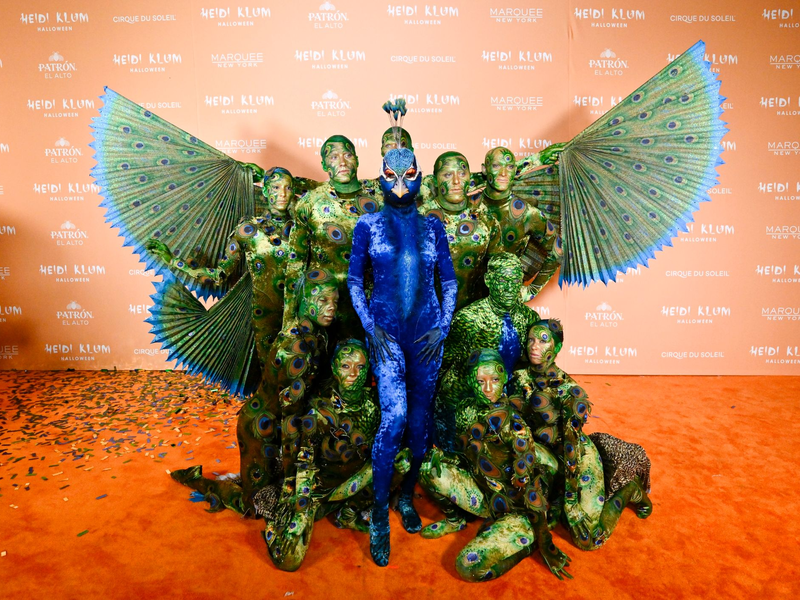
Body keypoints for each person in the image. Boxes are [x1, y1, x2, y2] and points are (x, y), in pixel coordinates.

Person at [348, 140, 457, 566]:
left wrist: (443, 326)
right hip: (387, 337)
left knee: (418, 424)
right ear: (379, 177)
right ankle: (378, 514)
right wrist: (370, 326)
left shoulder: (434, 227)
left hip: (427, 337)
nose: (397, 184)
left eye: (407, 174)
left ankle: (406, 496)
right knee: (392, 420)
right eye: (390, 175)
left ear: (419, 175)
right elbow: (356, 281)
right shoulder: (367, 226)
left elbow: (447, 282)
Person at [170, 269, 340, 516]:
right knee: (255, 507)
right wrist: (293, 483)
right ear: (303, 300)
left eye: (335, 301)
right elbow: (291, 421)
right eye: (323, 300)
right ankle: (202, 482)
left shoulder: (317, 334)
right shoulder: (296, 351)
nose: (331, 307)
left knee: (276, 488)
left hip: (278, 429)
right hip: (259, 430)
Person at [419, 349, 570, 582]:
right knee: (428, 468)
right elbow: (469, 452)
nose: (488, 389)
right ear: (471, 381)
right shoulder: (467, 410)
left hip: (515, 508)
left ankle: (529, 545)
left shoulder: (515, 427)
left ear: (504, 380)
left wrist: (546, 545)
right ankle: (455, 520)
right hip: (484, 491)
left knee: (468, 568)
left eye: (495, 380)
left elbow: (531, 493)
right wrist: (446, 459)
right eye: (481, 381)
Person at [265, 339, 411, 571]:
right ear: (334, 369)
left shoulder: (376, 404)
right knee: (289, 560)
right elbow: (305, 465)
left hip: (355, 480)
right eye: (346, 366)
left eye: (360, 367)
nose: (354, 373)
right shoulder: (321, 413)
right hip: (320, 489)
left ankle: (349, 513)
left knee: (398, 464)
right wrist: (303, 513)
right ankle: (321, 510)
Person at [512, 320, 653, 551]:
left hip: (576, 455)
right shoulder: (517, 377)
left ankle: (630, 490)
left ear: (557, 348)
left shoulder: (570, 391)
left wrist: (570, 503)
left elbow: (572, 443)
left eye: (543, 340)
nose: (534, 346)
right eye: (531, 339)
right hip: (542, 456)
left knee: (587, 539)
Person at [147, 167, 296, 363]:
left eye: (288, 187)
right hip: (264, 313)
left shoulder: (302, 227)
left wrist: (260, 176)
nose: (282, 194)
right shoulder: (248, 229)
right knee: (270, 367)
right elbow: (219, 274)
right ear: (265, 191)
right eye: (276, 187)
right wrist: (173, 261)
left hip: (297, 309)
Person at [436, 253, 539, 451]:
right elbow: (444, 366)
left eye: (515, 281)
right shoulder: (469, 319)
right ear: (488, 280)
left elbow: (528, 366)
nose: (510, 288)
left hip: (505, 397)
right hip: (464, 401)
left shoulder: (528, 318)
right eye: (503, 280)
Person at [284, 135, 382, 334]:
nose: (343, 162)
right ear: (324, 164)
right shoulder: (310, 202)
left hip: (371, 306)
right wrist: (289, 319)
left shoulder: (379, 199)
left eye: (347, 155)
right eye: (334, 157)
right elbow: (296, 263)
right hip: (323, 310)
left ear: (357, 159)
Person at [417, 152, 502, 310]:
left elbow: (498, 272)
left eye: (462, 174)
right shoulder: (418, 220)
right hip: (428, 320)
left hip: (474, 320)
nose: (456, 181)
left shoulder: (486, 221)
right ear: (435, 180)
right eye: (448, 174)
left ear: (470, 178)